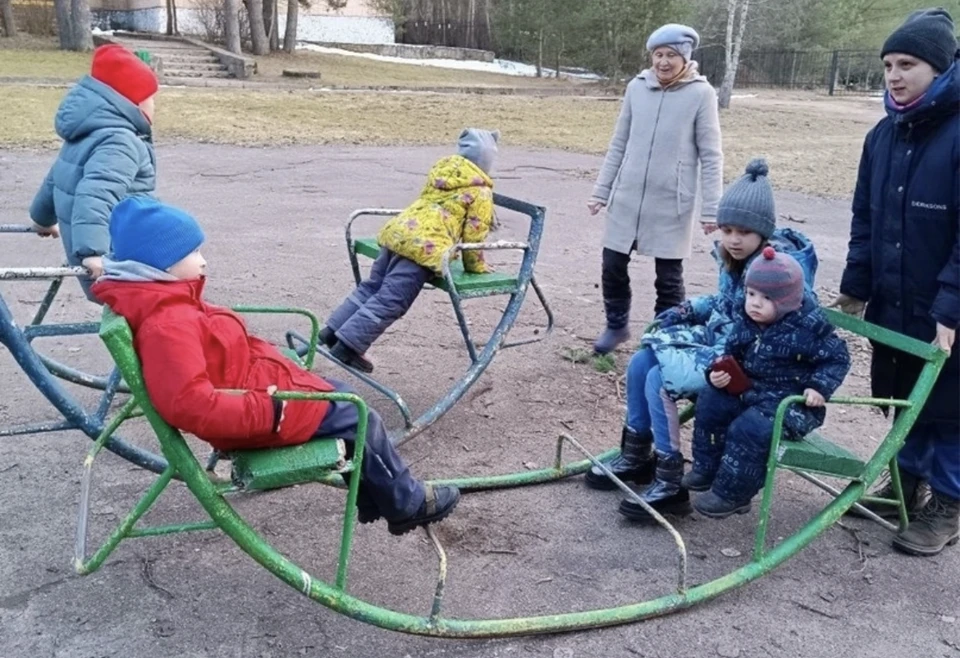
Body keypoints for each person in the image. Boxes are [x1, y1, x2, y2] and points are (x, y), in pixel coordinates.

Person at [92, 197, 460, 536]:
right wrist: (273, 410)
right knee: (362, 417)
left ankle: (372, 494)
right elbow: (190, 404)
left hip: (258, 392)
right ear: (161, 264)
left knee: (339, 396)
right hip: (260, 411)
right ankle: (406, 504)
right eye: (193, 253)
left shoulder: (167, 302)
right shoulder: (168, 323)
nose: (203, 260)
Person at [584, 160, 818, 524]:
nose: (733, 239)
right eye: (726, 229)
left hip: (752, 367)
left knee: (661, 378)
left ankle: (670, 481)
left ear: (763, 233)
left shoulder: (780, 274)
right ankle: (637, 454)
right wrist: (688, 308)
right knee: (643, 361)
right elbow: (726, 303)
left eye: (744, 231)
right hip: (724, 345)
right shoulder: (734, 261)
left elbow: (788, 330)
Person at [833, 8, 959, 556]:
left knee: (951, 404)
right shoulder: (882, 135)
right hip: (893, 298)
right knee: (901, 392)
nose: (894, 74)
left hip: (946, 308)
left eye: (907, 63)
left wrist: (951, 307)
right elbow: (866, 218)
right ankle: (904, 482)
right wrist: (856, 286)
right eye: (887, 64)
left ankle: (950, 501)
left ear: (940, 66)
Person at [588, 23, 723, 355]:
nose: (663, 62)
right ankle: (617, 326)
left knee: (668, 277)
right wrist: (601, 191)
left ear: (685, 58)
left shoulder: (701, 93)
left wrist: (711, 210)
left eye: (671, 55)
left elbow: (711, 153)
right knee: (612, 265)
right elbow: (619, 143)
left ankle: (664, 337)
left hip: (671, 201)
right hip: (628, 196)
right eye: (658, 55)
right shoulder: (637, 87)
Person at [687, 248, 850, 518]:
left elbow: (838, 358)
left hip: (791, 403)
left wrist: (819, 386)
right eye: (751, 294)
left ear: (787, 300)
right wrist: (717, 374)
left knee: (750, 428)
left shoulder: (809, 328)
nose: (754, 303)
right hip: (750, 390)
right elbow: (730, 353)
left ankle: (732, 495)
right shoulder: (748, 321)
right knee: (711, 400)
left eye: (766, 298)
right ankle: (707, 468)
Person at [320, 128, 500, 373]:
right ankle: (349, 346)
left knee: (371, 288)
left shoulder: (443, 174)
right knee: (391, 300)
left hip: (398, 234)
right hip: (423, 248)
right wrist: (476, 266)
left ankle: (332, 331)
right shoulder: (480, 191)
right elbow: (475, 234)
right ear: (486, 161)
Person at [30, 44, 159, 301]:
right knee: (172, 291)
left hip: (106, 256)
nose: (154, 105)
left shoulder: (87, 134)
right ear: (131, 103)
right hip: (117, 262)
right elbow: (96, 195)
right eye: (150, 98)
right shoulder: (121, 142)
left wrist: (42, 219)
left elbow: (56, 179)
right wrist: (94, 253)